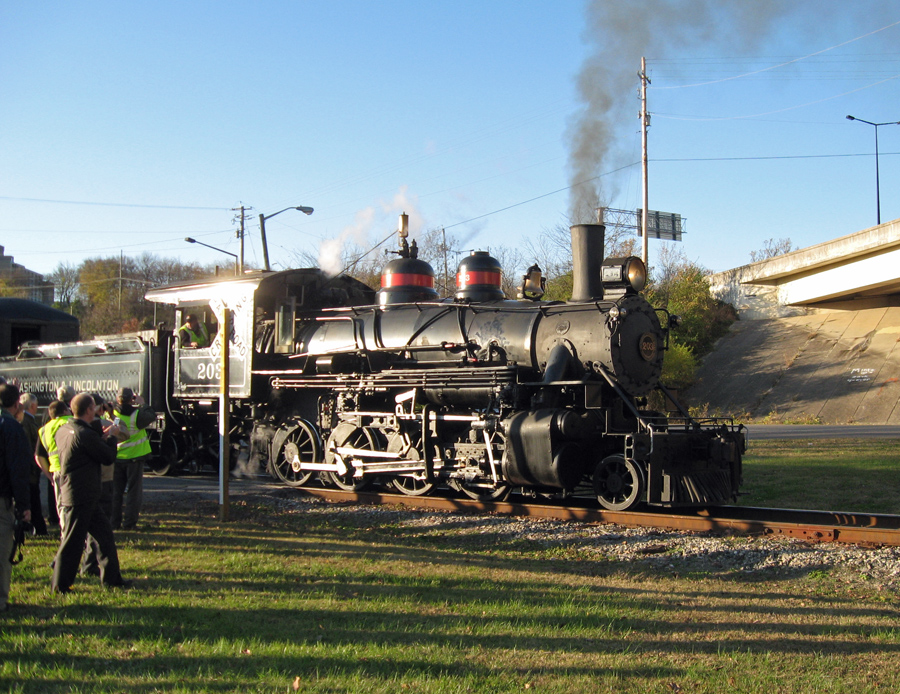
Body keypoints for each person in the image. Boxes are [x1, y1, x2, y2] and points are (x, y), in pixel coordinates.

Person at [50, 393, 131, 594]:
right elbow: (108, 457)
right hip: (81, 496)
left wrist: (101, 438)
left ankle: (112, 579)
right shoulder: (84, 434)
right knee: (72, 543)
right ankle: (60, 586)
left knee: (104, 537)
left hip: (81, 493)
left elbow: (83, 451)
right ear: (88, 410)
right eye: (94, 407)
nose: (97, 410)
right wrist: (111, 436)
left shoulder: (65, 430)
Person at [0, 384, 32, 612]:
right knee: (2, 553)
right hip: (2, 499)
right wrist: (23, 507)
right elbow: (18, 472)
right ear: (17, 404)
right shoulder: (12, 428)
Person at [111, 388, 151, 531]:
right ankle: (129, 524)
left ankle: (114, 523)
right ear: (131, 399)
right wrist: (142, 404)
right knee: (134, 493)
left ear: (118, 399)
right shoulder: (137, 415)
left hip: (117, 457)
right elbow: (151, 416)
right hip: (135, 458)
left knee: (116, 493)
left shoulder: (113, 414)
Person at [36, 401, 71, 535]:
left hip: (56, 469)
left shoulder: (44, 429)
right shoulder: (71, 421)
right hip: (74, 468)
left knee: (61, 505)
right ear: (65, 411)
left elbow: (39, 456)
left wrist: (48, 475)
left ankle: (64, 533)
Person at [18, 393, 47, 536]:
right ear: (33, 406)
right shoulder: (27, 422)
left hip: (28, 470)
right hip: (29, 471)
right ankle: (37, 529)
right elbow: (29, 447)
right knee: (33, 500)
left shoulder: (25, 421)